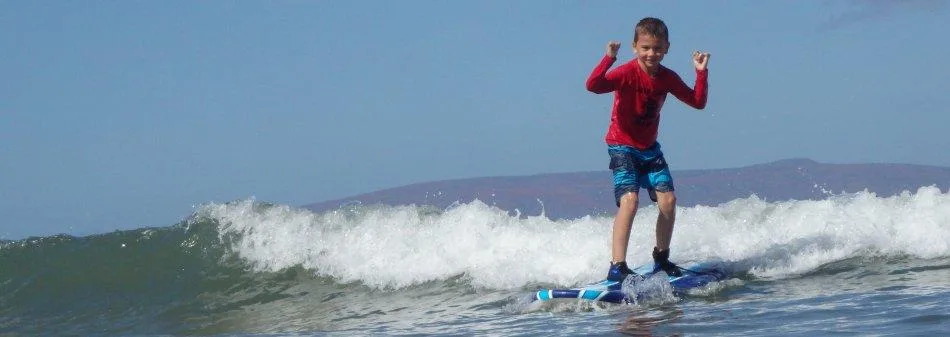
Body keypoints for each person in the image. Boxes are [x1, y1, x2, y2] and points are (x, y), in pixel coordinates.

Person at [585, 17, 710, 282]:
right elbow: (593, 86)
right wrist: (609, 58)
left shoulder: (667, 78)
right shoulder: (626, 73)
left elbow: (697, 102)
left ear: (666, 48)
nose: (651, 53)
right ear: (634, 47)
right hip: (622, 147)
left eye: (657, 48)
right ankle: (617, 266)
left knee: (669, 201)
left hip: (650, 149)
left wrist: (700, 72)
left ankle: (661, 259)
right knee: (630, 201)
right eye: (645, 48)